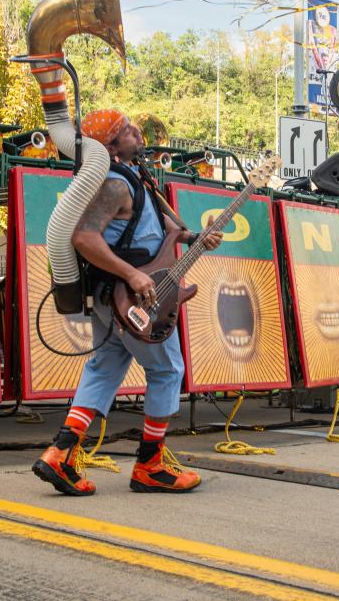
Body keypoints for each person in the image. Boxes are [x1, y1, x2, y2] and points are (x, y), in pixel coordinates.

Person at [33, 109, 222, 496]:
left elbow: (162, 231)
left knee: (104, 369)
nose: (136, 131)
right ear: (112, 146)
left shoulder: (138, 178)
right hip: (136, 295)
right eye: (126, 131)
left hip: (116, 296)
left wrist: (192, 238)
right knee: (168, 370)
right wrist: (134, 274)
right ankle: (151, 465)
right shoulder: (115, 184)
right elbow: (85, 238)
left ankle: (62, 454)